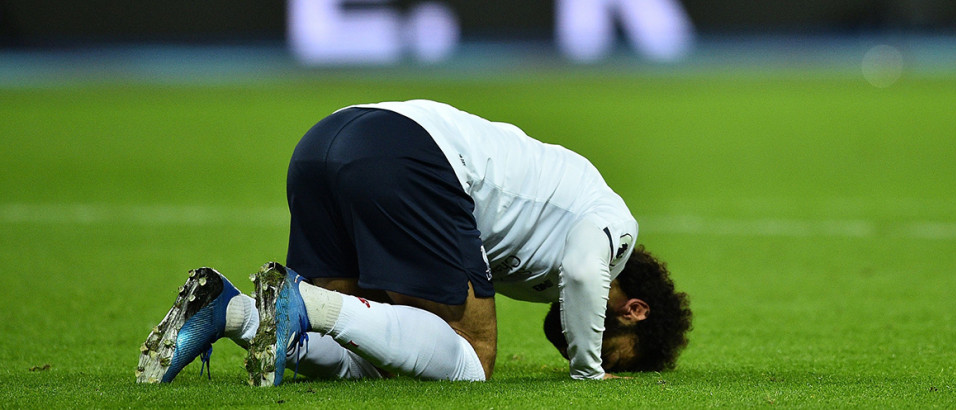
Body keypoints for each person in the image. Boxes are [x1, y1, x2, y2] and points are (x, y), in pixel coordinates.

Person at [137, 100, 692, 384]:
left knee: (369, 354)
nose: (583, 343)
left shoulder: (544, 244)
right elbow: (581, 272)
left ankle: (227, 311)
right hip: (409, 157)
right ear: (634, 311)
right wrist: (590, 373)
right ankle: (299, 300)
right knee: (474, 361)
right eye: (617, 352)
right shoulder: (615, 227)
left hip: (326, 140)